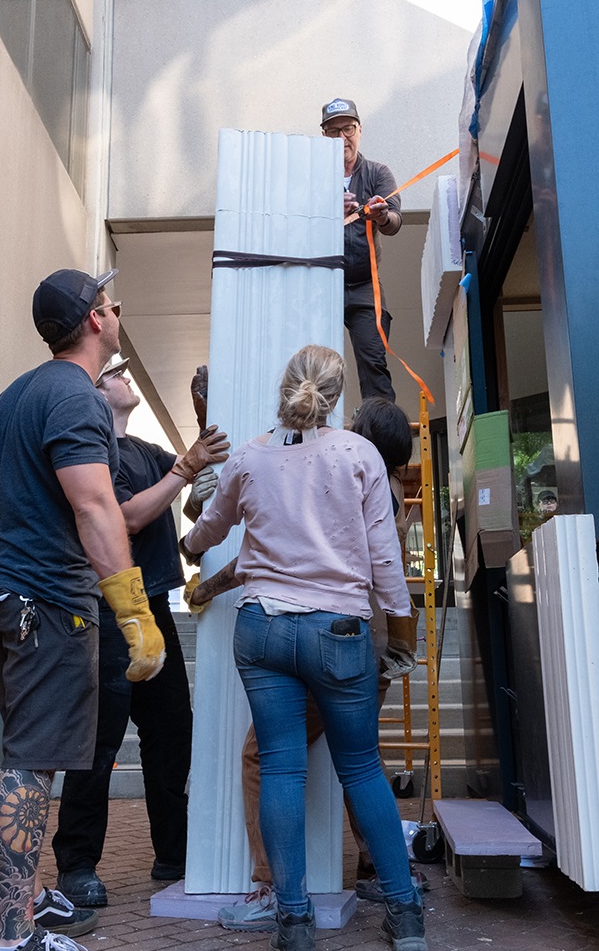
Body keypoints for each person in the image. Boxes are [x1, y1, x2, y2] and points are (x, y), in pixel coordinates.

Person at [180, 347, 427, 951]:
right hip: (338, 634)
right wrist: (400, 635)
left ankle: (292, 919)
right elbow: (385, 565)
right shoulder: (359, 454)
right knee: (363, 768)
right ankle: (406, 913)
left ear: (284, 388)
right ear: (335, 397)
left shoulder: (250, 458)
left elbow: (207, 532)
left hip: (261, 629)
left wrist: (190, 546)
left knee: (280, 768)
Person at [0, 268, 167, 951]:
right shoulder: (75, 397)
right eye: (111, 303)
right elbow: (95, 506)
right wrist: (135, 615)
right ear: (93, 320)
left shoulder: (18, 397)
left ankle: (22, 901)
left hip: (5, 594)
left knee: (31, 755)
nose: (118, 311)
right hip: (48, 603)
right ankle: (12, 932)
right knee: (28, 764)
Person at [51, 355, 229, 906]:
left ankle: (173, 853)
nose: (124, 371)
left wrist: (208, 414)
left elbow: (200, 483)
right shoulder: (93, 450)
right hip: (104, 611)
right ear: (94, 392)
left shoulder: (148, 453)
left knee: (172, 736)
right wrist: (185, 469)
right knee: (98, 744)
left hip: (151, 607)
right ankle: (77, 865)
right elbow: (125, 516)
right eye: (113, 372)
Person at [321, 98, 402, 403]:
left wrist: (381, 215)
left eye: (348, 128)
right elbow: (293, 227)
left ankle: (379, 439)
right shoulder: (311, 178)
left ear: (359, 130)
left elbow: (395, 221)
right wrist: (327, 209)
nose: (342, 137)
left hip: (365, 285)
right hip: (322, 283)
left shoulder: (377, 172)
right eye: (333, 131)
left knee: (374, 363)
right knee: (315, 366)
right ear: (324, 136)